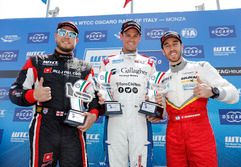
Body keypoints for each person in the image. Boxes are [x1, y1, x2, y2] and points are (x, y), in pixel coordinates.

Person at [9, 21, 102, 167]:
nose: (67, 37)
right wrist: (33, 95)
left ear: (76, 40)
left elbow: (95, 98)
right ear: (55, 36)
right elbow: (14, 91)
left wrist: (94, 114)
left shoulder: (85, 68)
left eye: (72, 34)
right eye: (62, 33)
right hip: (45, 126)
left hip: (74, 128)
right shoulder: (37, 62)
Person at [159, 31, 239, 167]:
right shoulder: (162, 78)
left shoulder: (200, 67)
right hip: (173, 136)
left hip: (199, 132)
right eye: (167, 45)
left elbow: (234, 94)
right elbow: (163, 113)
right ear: (163, 51)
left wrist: (213, 92)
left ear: (182, 46)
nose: (171, 48)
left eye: (175, 44)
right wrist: (156, 113)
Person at [98, 20, 157, 167]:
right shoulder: (108, 62)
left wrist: (154, 102)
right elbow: (100, 88)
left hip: (140, 120)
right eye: (128, 35)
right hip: (115, 119)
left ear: (140, 38)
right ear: (121, 36)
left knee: (141, 163)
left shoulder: (148, 63)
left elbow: (154, 90)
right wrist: (101, 97)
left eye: (135, 35)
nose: (131, 38)